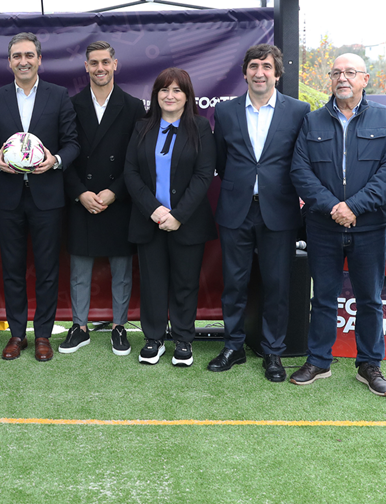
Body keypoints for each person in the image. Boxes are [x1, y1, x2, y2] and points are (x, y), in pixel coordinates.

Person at [289, 54, 386, 394]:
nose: (343, 78)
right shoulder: (312, 122)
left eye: (350, 72)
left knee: (369, 298)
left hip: (368, 226)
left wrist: (353, 207)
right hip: (322, 225)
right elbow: (300, 172)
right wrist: (333, 207)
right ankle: (318, 360)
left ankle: (369, 364)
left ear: (365, 79)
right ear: (330, 79)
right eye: (337, 72)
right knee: (323, 297)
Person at [208, 44, 310, 381]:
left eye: (266, 66)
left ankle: (273, 353)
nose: (260, 72)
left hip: (278, 212)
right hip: (236, 210)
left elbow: (300, 160)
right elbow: (221, 162)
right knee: (234, 284)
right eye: (254, 65)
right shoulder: (225, 112)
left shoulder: (298, 111)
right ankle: (234, 346)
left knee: (277, 285)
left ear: (277, 74)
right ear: (245, 72)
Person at [0, 32, 79, 362]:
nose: (23, 61)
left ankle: (42, 335)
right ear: (9, 62)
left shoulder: (58, 95)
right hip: (9, 197)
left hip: (47, 197)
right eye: (16, 56)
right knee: (11, 268)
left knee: (47, 269)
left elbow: (72, 144)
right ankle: (15, 334)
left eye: (29, 55)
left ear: (39, 59)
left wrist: (55, 161)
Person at [124, 67, 217, 367]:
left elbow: (204, 175)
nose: (170, 95)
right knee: (152, 282)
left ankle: (183, 340)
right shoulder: (141, 127)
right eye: (164, 89)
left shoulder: (200, 128)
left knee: (185, 282)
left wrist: (178, 215)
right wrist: (154, 210)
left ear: (187, 96)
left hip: (186, 222)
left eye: (177, 90)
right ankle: (153, 339)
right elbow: (131, 173)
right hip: (148, 219)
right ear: (156, 94)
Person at [59, 40, 145, 356]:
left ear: (115, 64)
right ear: (86, 67)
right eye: (94, 63)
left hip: (118, 200)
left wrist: (115, 191)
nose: (100, 68)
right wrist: (80, 192)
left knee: (122, 272)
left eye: (105, 62)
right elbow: (64, 155)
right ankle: (79, 327)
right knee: (79, 270)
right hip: (82, 198)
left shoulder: (134, 106)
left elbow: (137, 160)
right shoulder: (70, 104)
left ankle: (119, 327)